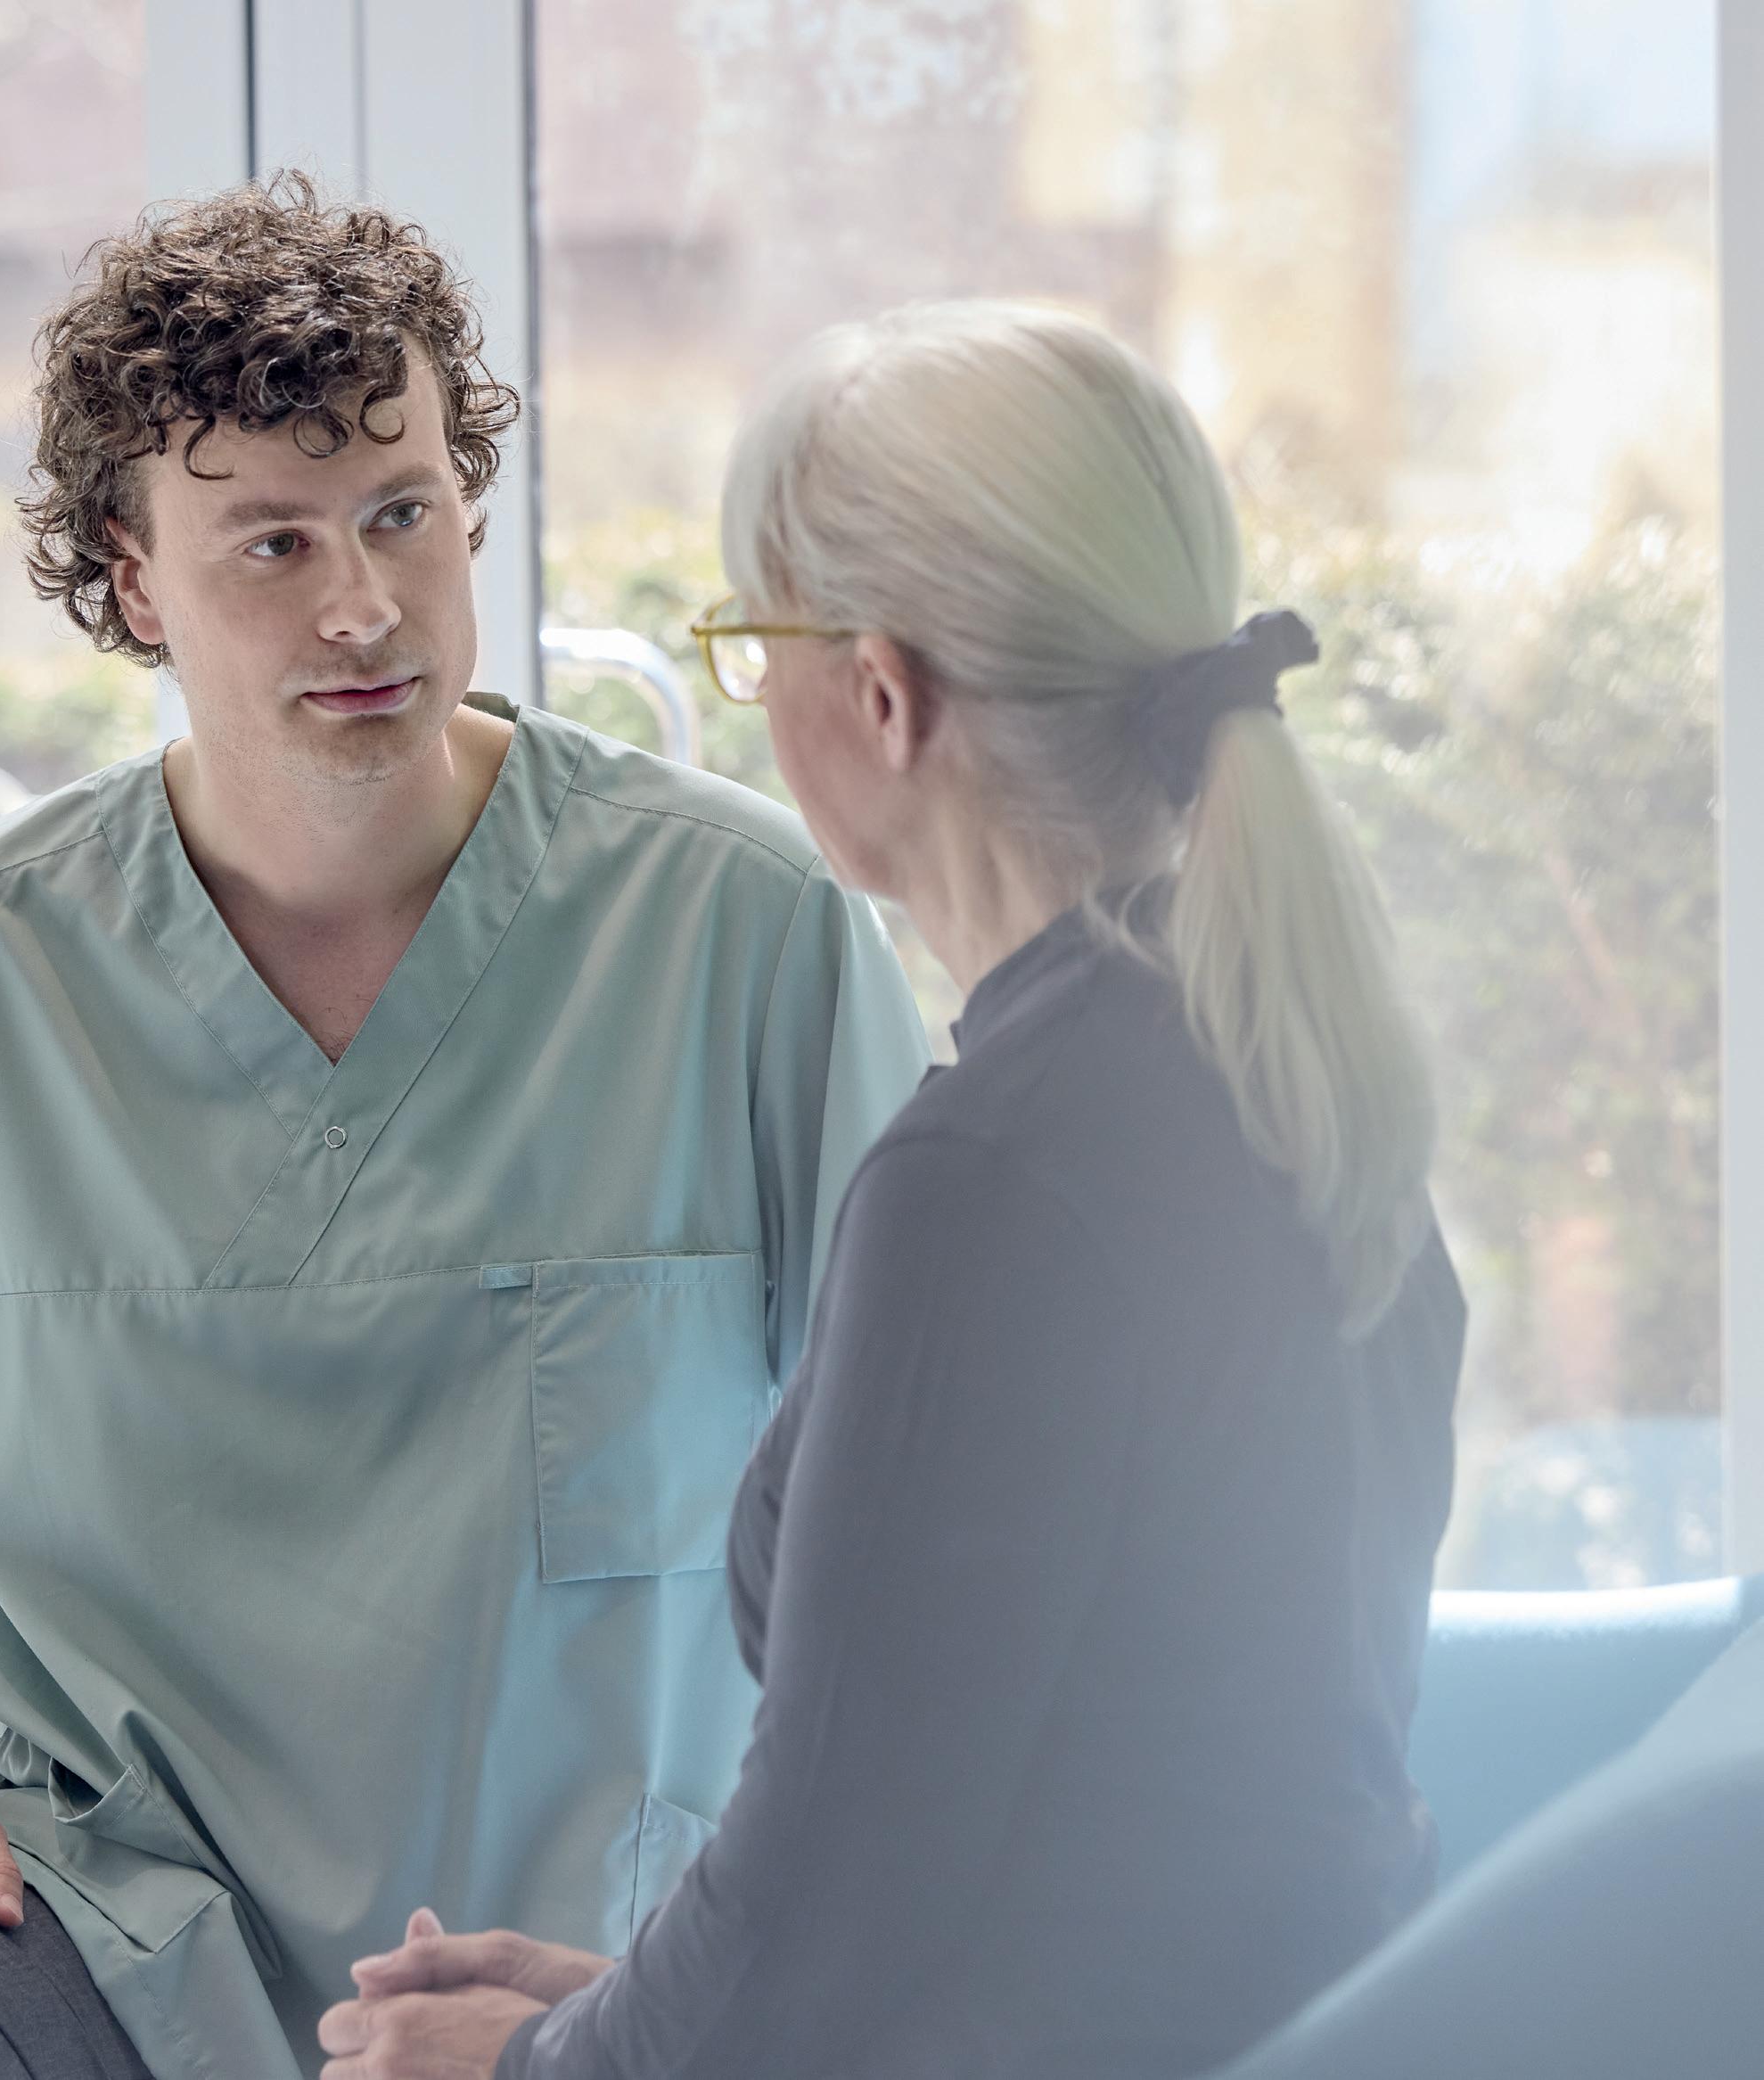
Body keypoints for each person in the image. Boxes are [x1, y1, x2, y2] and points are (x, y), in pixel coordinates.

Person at [0, 177, 930, 2080]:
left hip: (618, 1956)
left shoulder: (745, 930)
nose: (362, 605)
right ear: (133, 576)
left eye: (401, 514)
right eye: (270, 542)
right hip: (93, 1929)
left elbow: (948, 1484)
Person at [319, 302, 1466, 2080]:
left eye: (749, 642)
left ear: (878, 695)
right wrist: (612, 2015)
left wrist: (533, 2067)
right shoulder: (1272, 1057)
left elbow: (824, 1912)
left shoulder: (995, 1176)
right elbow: (1078, 1820)